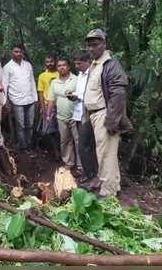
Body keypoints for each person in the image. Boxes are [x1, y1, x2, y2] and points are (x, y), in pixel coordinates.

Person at [84, 28, 132, 197]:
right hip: (96, 115)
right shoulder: (95, 63)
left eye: (95, 45)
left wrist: (111, 121)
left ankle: (108, 192)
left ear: (104, 44)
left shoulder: (110, 64)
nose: (91, 48)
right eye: (89, 45)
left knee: (105, 155)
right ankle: (113, 186)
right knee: (106, 154)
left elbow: (118, 95)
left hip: (106, 114)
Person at [68, 50, 99, 186]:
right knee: (85, 146)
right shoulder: (80, 75)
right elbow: (81, 92)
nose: (77, 66)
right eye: (75, 64)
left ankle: (91, 174)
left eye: (79, 63)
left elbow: (92, 94)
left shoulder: (92, 75)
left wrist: (78, 96)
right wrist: (73, 95)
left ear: (88, 62)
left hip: (88, 114)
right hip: (78, 113)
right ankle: (89, 173)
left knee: (84, 146)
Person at [46, 58, 82, 171]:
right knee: (65, 141)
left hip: (76, 116)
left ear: (69, 67)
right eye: (59, 66)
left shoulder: (76, 79)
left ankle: (81, 165)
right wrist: (48, 114)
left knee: (79, 140)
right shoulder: (54, 82)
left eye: (64, 65)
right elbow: (51, 100)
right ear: (57, 68)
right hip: (61, 116)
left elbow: (82, 96)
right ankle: (69, 163)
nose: (61, 67)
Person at [2, 44, 38, 150]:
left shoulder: (27, 65)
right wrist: (5, 101)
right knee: (20, 125)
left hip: (30, 99)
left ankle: (29, 144)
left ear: (23, 53)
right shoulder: (7, 67)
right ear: (11, 52)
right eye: (16, 52)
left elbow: (32, 82)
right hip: (17, 101)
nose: (18, 54)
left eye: (20, 52)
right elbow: (5, 85)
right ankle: (23, 146)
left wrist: (35, 98)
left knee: (30, 124)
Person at [37, 55, 60, 158]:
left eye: (51, 61)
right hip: (48, 106)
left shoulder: (60, 73)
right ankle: (55, 152)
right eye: (47, 62)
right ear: (45, 63)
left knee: (62, 130)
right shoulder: (42, 76)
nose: (49, 63)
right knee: (49, 131)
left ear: (55, 62)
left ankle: (63, 151)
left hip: (61, 105)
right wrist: (42, 107)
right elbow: (41, 92)